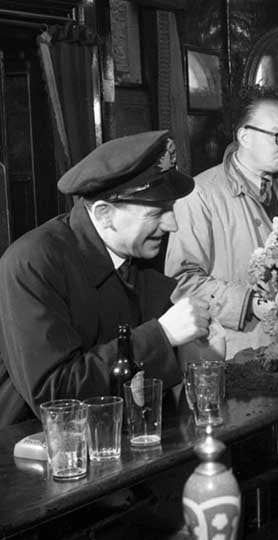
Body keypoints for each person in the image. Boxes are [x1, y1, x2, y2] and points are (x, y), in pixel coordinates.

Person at [0, 131, 211, 427]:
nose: (172, 224)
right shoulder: (32, 263)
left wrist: (194, 349)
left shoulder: (142, 250)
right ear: (104, 214)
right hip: (34, 453)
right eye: (157, 212)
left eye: (172, 208)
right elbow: (55, 395)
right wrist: (163, 335)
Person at [165, 98, 278, 358]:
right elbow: (181, 281)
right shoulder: (200, 194)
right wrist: (248, 302)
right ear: (245, 136)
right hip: (240, 352)